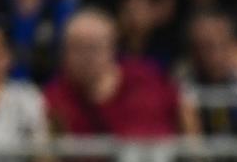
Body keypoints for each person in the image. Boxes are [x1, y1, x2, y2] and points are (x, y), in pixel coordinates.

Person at [44, 9, 192, 139]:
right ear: (64, 54)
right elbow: (48, 158)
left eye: (93, 47)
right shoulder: (55, 97)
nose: (86, 57)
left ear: (112, 48)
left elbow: (183, 108)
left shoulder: (145, 77)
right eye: (77, 48)